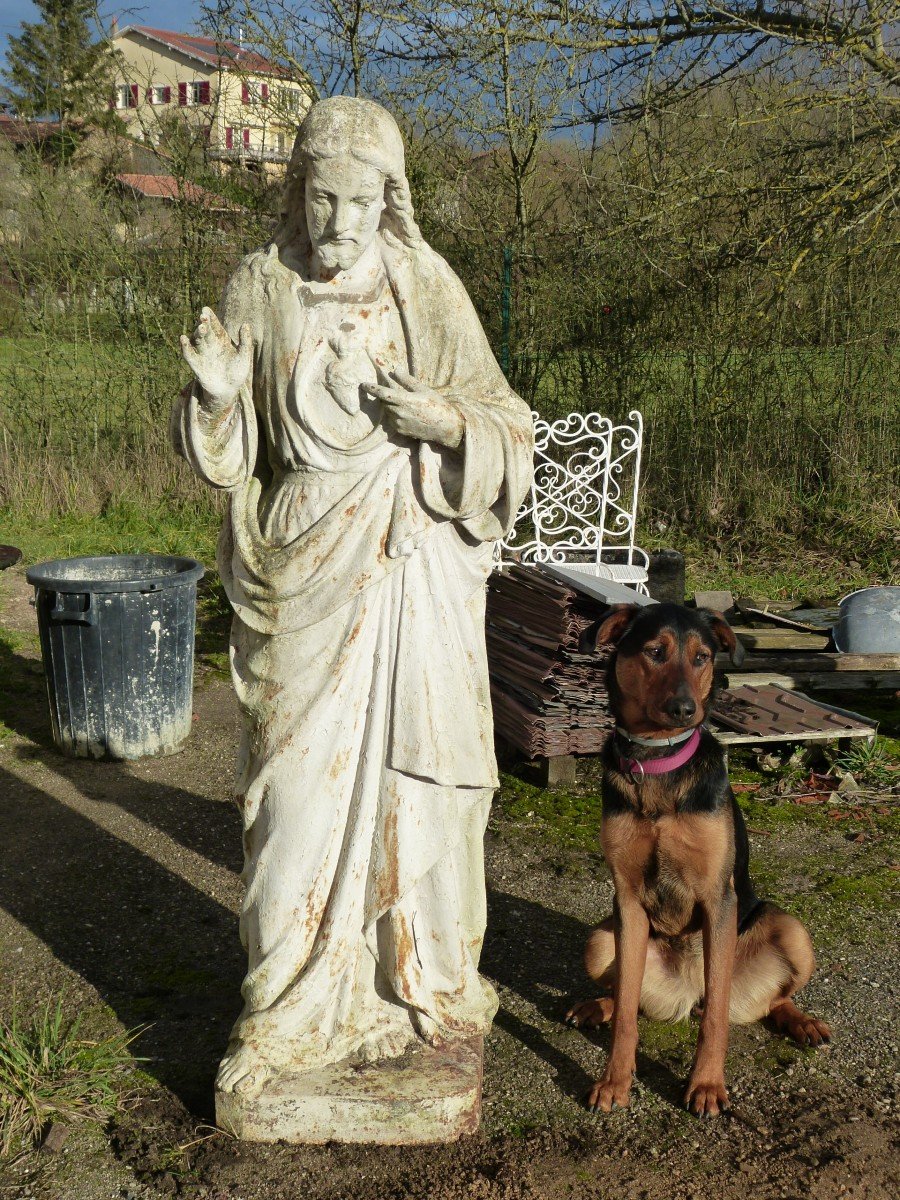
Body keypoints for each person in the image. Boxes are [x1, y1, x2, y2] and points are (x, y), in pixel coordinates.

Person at [173, 96, 533, 1100]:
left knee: (420, 805)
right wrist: (212, 395)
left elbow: (513, 429)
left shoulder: (427, 284)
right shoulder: (260, 283)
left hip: (415, 572)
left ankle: (413, 999)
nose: (339, 221)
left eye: (360, 201)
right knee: (290, 804)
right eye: (322, 197)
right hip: (300, 572)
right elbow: (236, 454)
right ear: (298, 191)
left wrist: (444, 421)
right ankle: (287, 1013)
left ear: (391, 199)